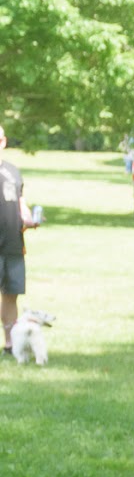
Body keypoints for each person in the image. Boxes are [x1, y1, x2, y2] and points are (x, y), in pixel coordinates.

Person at [0, 126, 30, 353]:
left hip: (12, 243)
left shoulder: (13, 171)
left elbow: (21, 202)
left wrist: (29, 218)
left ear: (4, 142)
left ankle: (10, 344)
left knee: (11, 294)